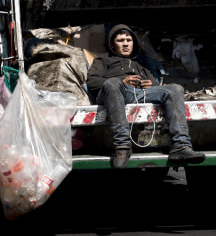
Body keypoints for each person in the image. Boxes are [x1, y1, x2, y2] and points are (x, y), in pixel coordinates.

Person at [86, 24, 206, 169]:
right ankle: (122, 147)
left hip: (139, 94)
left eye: (129, 40)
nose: (125, 44)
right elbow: (92, 82)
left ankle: (181, 146)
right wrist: (122, 82)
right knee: (112, 83)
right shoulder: (103, 61)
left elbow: (157, 87)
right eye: (120, 40)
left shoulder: (140, 64)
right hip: (114, 94)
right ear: (112, 44)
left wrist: (151, 86)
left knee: (175, 88)